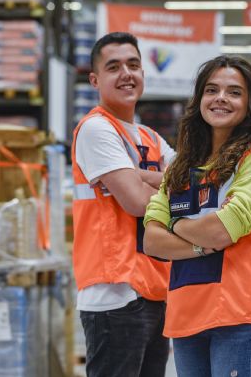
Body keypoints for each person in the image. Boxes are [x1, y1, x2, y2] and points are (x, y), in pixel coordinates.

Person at [143, 55, 251, 377]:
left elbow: (221, 231)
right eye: (212, 90)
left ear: (250, 104)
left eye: (234, 92)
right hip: (186, 312)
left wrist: (176, 223)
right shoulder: (180, 168)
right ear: (199, 100)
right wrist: (198, 244)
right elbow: (151, 241)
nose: (220, 98)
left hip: (240, 311)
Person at [71, 32, 174, 377]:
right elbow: (136, 203)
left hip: (154, 287)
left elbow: (194, 186)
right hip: (113, 294)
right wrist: (157, 183)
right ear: (95, 80)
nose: (126, 74)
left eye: (133, 64)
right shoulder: (96, 129)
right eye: (113, 67)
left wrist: (139, 175)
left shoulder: (150, 138)